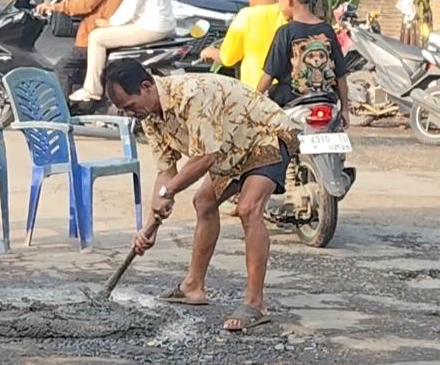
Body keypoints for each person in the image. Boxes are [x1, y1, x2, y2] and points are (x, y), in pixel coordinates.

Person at [103, 58, 298, 332]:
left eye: (130, 106)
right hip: (231, 147)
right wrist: (149, 227)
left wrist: (169, 191)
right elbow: (166, 171)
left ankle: (255, 303)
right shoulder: (150, 116)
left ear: (146, 86)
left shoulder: (190, 94)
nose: (129, 113)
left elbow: (205, 158)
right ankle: (193, 286)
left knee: (248, 208)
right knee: (204, 201)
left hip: (265, 134)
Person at [258, 0, 349, 111]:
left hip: (293, 106)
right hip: (328, 103)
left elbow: (268, 76)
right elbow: (341, 75)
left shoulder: (286, 32)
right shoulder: (327, 30)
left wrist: (251, 102)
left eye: (279, 1)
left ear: (289, 0)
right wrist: (345, 110)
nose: (279, 7)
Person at [200, 0, 286, 90]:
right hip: (286, 91)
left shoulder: (246, 16)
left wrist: (210, 52)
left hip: (256, 92)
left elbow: (228, 58)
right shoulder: (287, 13)